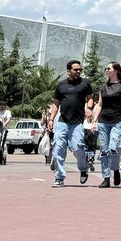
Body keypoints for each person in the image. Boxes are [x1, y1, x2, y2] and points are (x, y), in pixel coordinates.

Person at [47, 59, 94, 187]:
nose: (78, 71)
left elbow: (90, 98)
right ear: (69, 71)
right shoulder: (61, 85)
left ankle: (83, 169)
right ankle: (59, 178)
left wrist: (89, 108)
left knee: (78, 147)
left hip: (77, 123)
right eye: (76, 69)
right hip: (62, 122)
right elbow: (56, 104)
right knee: (58, 149)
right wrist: (51, 120)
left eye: (80, 69)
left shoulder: (85, 83)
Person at [94, 61, 121, 188]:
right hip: (103, 121)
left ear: (116, 70)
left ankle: (115, 170)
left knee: (113, 148)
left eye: (108, 68)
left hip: (118, 121)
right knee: (104, 151)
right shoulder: (103, 87)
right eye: (106, 68)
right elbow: (100, 104)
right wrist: (94, 121)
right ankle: (106, 178)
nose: (106, 70)